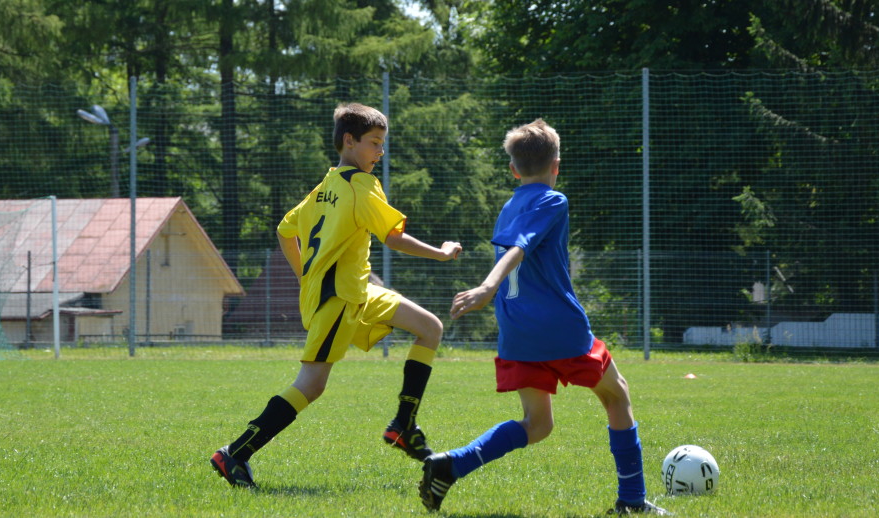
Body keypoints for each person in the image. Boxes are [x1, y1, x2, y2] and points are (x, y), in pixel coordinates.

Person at [418, 119, 668, 515]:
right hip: (558, 328)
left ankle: (451, 464)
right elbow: (519, 248)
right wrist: (487, 287)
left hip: (517, 332)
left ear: (513, 170)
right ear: (556, 166)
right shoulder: (554, 200)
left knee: (537, 424)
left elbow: (515, 247)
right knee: (616, 395)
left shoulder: (508, 207)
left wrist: (490, 291)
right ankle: (632, 501)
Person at [211, 102, 463, 488]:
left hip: (356, 292)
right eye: (374, 142)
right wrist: (441, 253)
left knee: (429, 328)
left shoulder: (324, 187)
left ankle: (403, 424)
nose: (380, 151)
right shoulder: (361, 184)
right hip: (339, 299)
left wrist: (305, 276)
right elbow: (393, 237)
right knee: (311, 384)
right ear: (349, 141)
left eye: (382, 143)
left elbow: (284, 231)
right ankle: (235, 452)